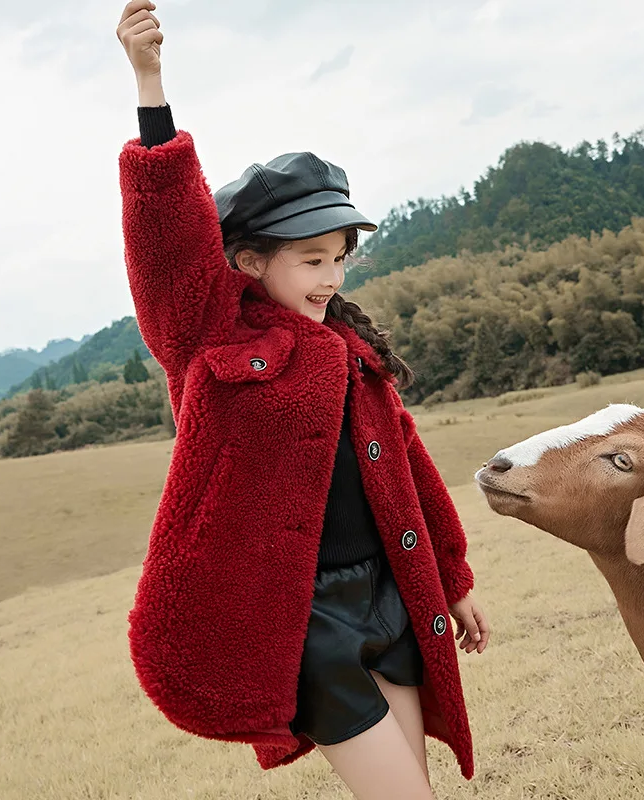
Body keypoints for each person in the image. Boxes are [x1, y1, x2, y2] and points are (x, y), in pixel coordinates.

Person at [116, 3, 490, 798]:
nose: (331, 278)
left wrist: (452, 578)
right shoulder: (207, 341)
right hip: (303, 623)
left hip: (391, 597)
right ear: (248, 261)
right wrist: (150, 84)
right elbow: (169, 243)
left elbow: (408, 463)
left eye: (340, 259)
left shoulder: (353, 354)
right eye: (311, 259)